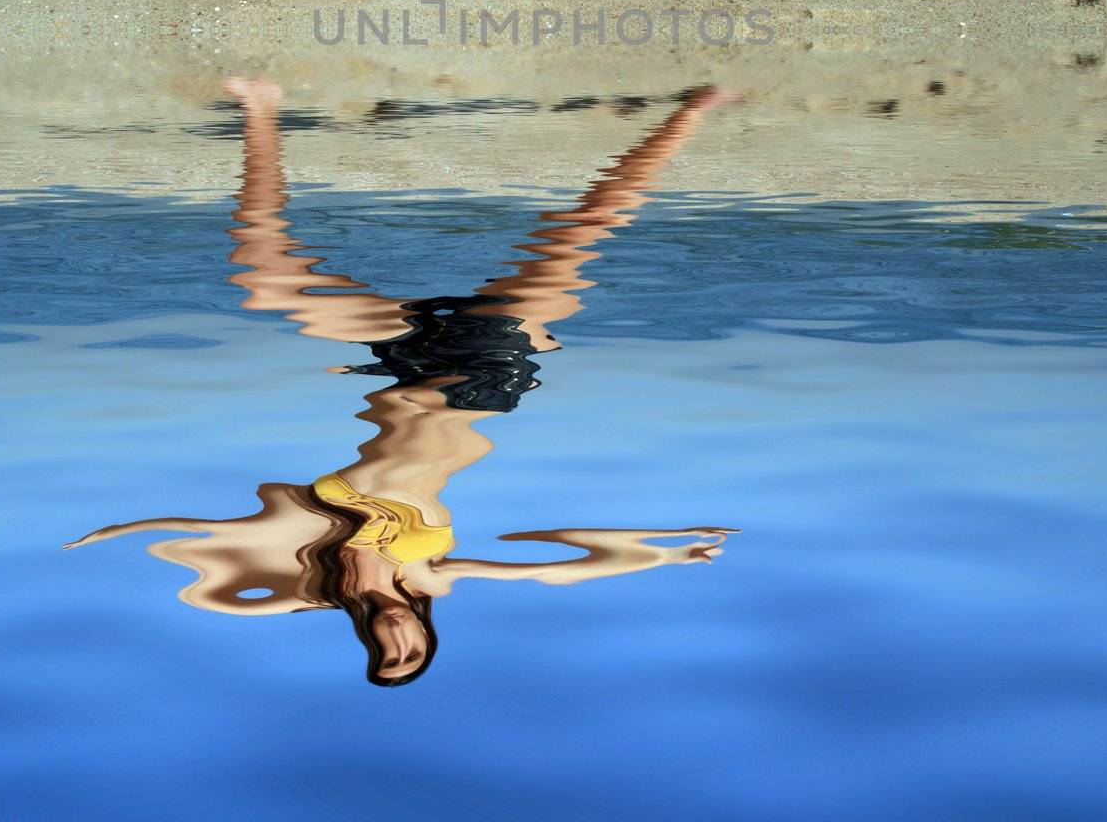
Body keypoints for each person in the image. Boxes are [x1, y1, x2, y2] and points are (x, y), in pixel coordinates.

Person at [65, 78, 742, 685]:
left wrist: (118, 532)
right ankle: (691, 111)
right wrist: (663, 555)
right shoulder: (431, 578)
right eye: (410, 655)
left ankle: (259, 109)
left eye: (385, 657)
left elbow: (207, 591)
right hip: (483, 375)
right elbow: (550, 570)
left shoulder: (314, 562)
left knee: (261, 273)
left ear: (365, 644)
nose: (397, 645)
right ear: (426, 638)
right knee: (579, 232)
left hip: (404, 369)